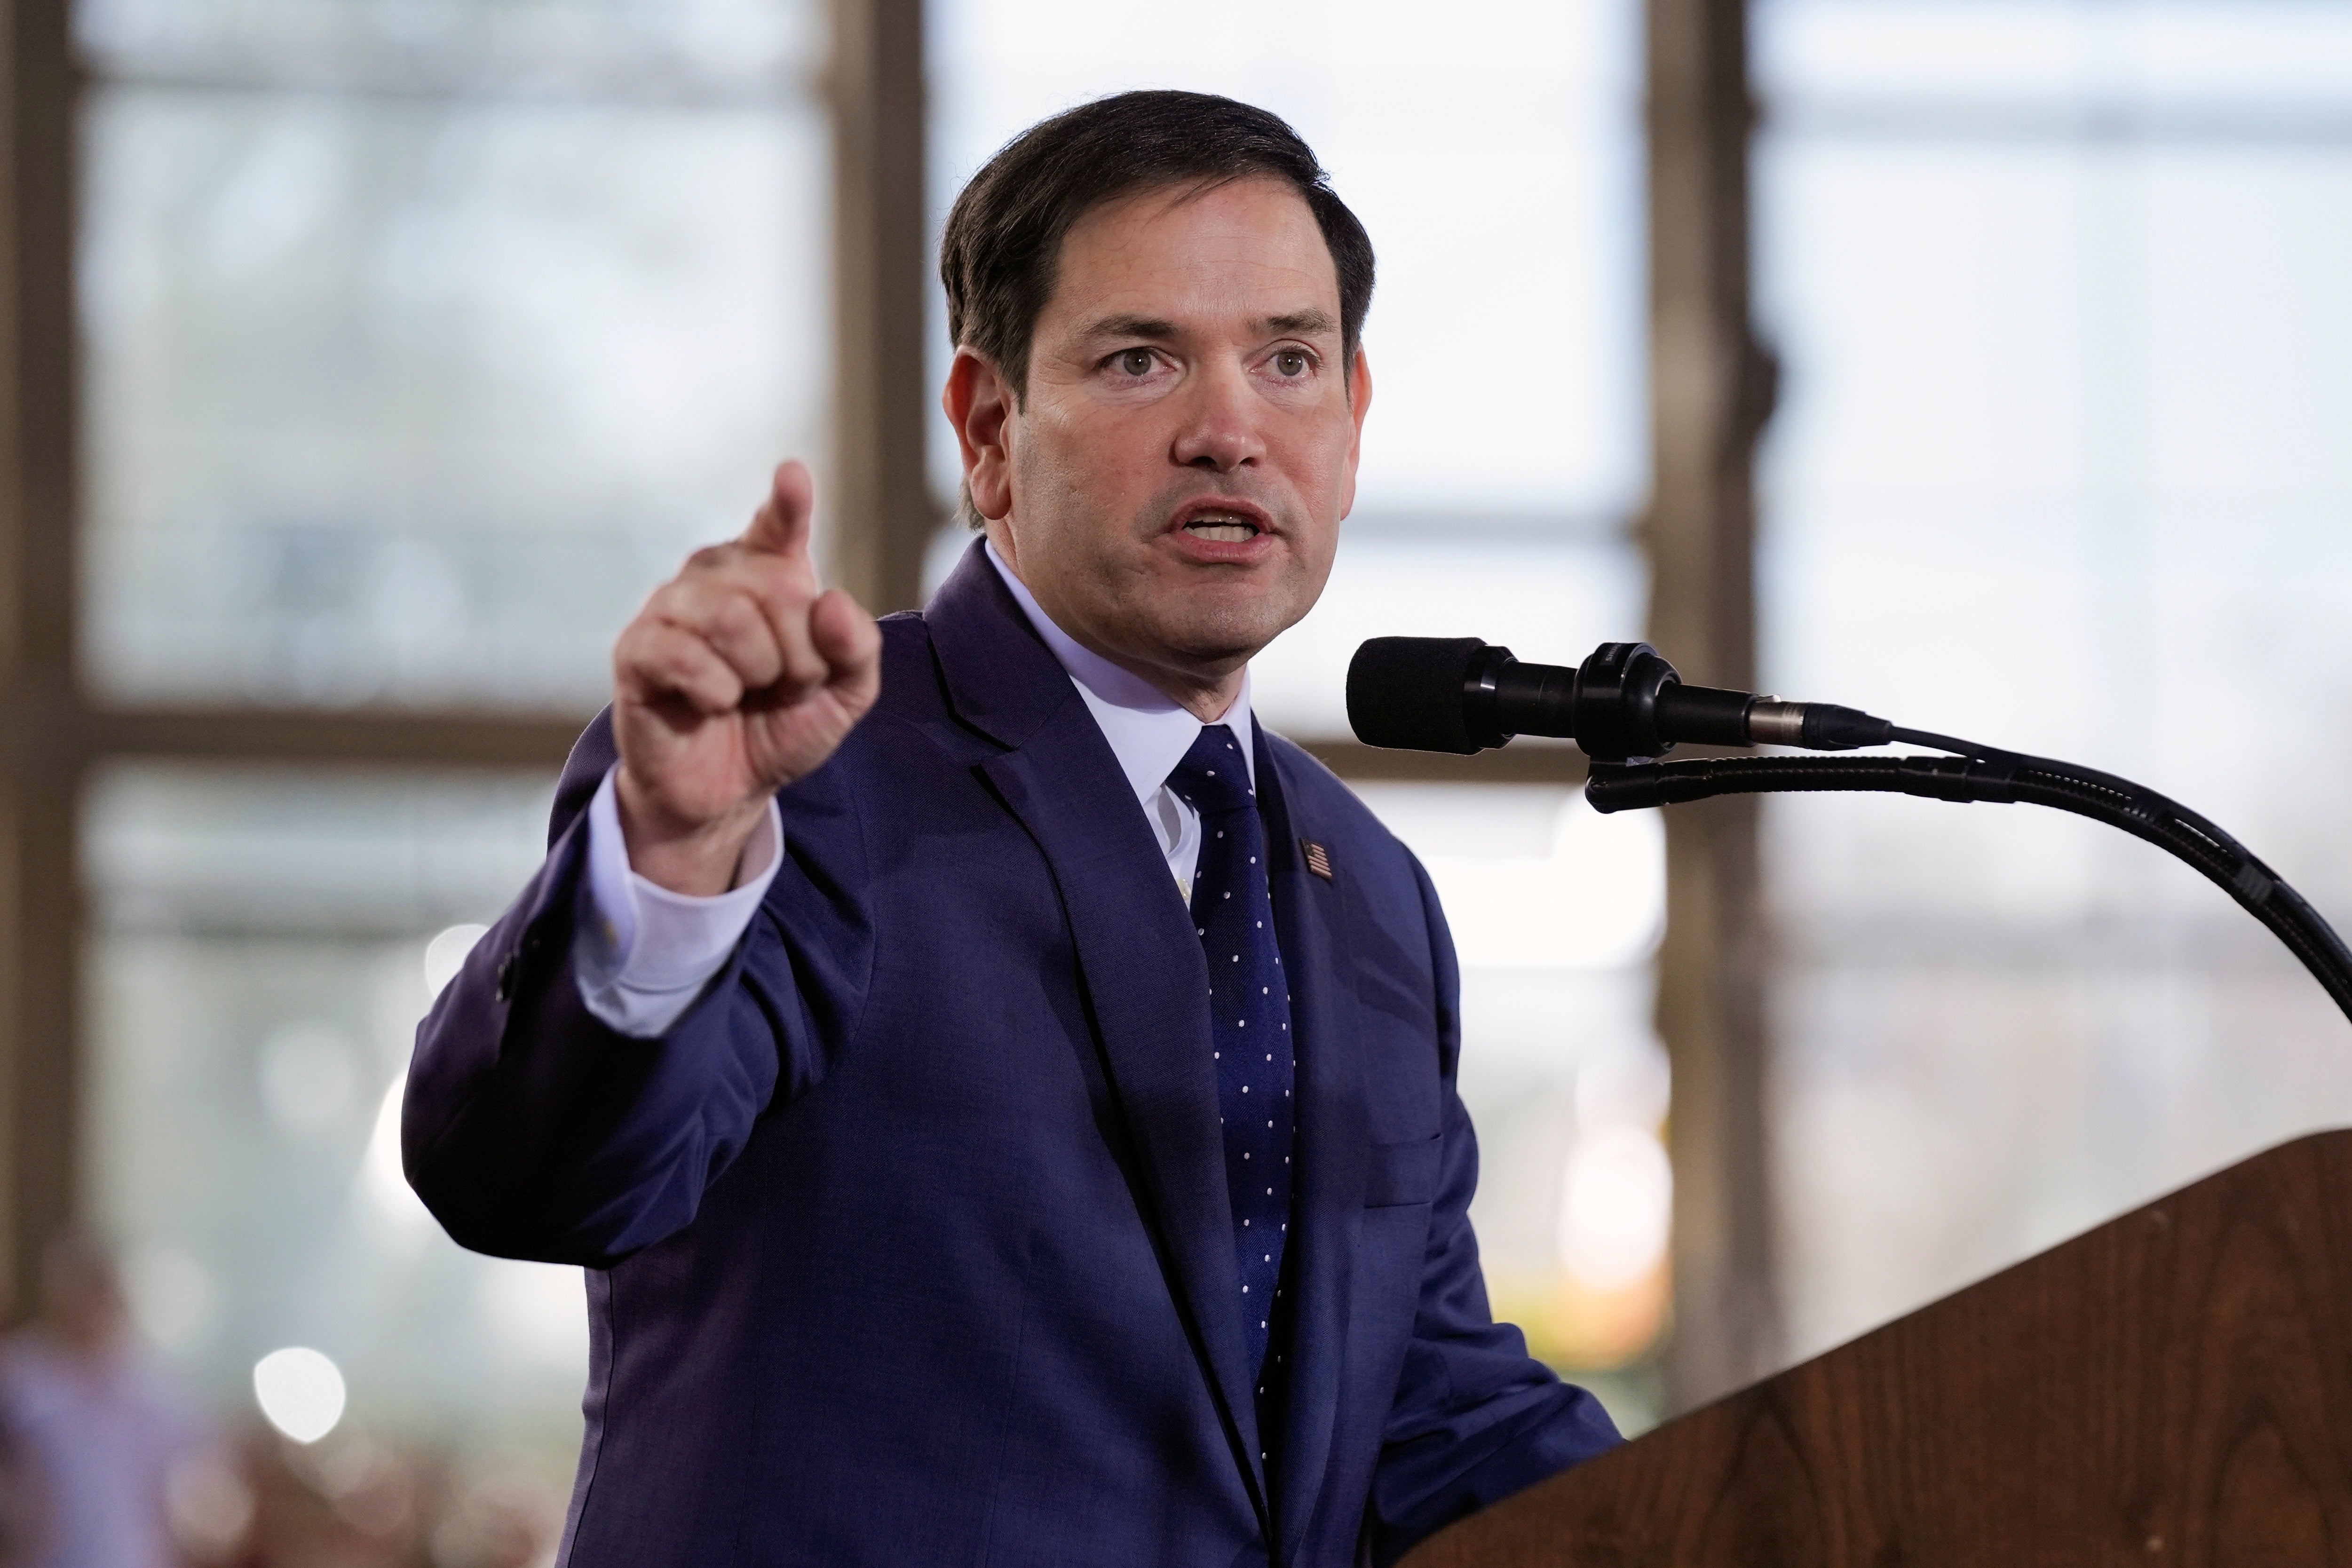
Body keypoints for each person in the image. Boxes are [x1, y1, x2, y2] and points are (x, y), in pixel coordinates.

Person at [404, 90, 1619, 1567]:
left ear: (1350, 427)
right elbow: (532, 1177)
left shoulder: (1367, 889)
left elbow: (1425, 1413)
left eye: (1287, 361)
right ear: (989, 428)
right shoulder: (805, 765)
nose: (1228, 429)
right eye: (1140, 359)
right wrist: (666, 860)